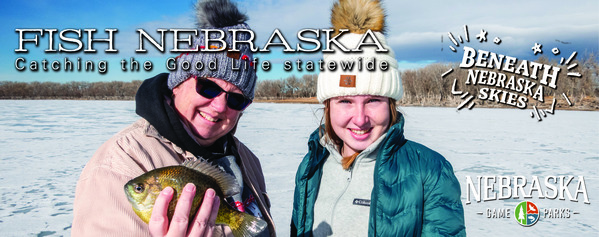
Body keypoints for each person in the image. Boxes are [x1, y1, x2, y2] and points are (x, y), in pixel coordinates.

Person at [71, 0, 275, 236]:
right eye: (208, 87)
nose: (219, 106)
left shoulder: (248, 161)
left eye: (236, 99)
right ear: (177, 83)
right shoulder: (120, 165)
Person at [290, 0, 465, 236]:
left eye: (373, 100)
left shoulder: (431, 172)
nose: (360, 119)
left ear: (390, 103)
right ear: (328, 106)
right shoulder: (311, 167)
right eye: (345, 101)